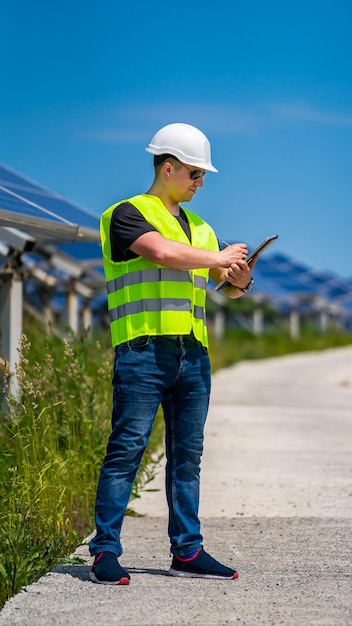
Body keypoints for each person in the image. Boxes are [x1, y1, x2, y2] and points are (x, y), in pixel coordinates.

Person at [89, 122, 256, 585]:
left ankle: (187, 551)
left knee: (188, 456)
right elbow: (160, 253)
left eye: (202, 175)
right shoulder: (125, 214)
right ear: (168, 167)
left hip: (192, 355)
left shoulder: (202, 229)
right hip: (142, 352)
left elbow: (222, 284)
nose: (200, 183)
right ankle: (104, 552)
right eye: (195, 173)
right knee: (127, 451)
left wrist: (239, 280)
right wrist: (221, 260)